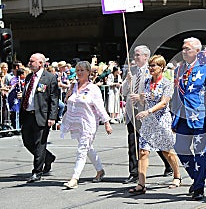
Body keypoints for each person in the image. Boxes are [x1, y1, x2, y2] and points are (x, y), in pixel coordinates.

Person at [171, 37, 206, 201]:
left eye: (187, 49)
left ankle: (199, 187)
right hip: (182, 117)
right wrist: (173, 118)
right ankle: (197, 177)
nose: (183, 51)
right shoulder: (179, 69)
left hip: (200, 117)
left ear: (197, 52)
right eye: (183, 48)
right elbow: (176, 95)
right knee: (180, 148)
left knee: (200, 153)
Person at [128, 55, 181, 195]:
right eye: (150, 65)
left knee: (167, 151)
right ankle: (141, 184)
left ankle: (177, 175)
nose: (151, 68)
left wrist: (148, 111)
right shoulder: (146, 82)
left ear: (161, 67)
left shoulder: (167, 83)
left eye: (153, 66)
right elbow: (143, 99)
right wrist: (136, 95)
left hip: (162, 120)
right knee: (143, 151)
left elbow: (164, 102)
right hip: (148, 122)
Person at [121, 45, 172, 184]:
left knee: (154, 140)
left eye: (138, 55)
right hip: (133, 112)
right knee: (133, 141)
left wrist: (141, 97)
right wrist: (128, 81)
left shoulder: (151, 73)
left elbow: (154, 94)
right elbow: (123, 91)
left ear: (145, 57)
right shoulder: (132, 72)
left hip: (147, 112)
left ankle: (169, 164)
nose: (135, 57)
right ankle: (134, 172)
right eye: (135, 55)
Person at [60, 61, 113, 189]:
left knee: (82, 149)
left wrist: (106, 122)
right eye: (77, 70)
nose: (79, 73)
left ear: (88, 72)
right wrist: (68, 94)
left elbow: (100, 107)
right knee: (88, 148)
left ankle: (74, 178)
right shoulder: (73, 86)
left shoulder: (93, 89)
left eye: (82, 70)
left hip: (89, 123)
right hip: (76, 122)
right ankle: (100, 171)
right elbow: (67, 102)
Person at [17, 53, 59, 183]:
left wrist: (52, 117)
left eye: (32, 61)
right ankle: (48, 157)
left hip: (42, 115)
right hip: (28, 115)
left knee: (39, 144)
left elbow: (54, 99)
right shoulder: (29, 77)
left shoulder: (50, 78)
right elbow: (30, 94)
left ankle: (37, 171)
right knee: (27, 141)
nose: (29, 63)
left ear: (40, 63)